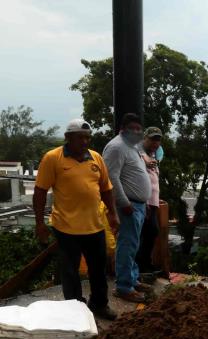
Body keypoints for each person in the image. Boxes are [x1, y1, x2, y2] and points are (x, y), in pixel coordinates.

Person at [33, 118, 120, 320]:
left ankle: (99, 305)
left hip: (95, 225)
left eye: (87, 138)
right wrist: (39, 223)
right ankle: (76, 312)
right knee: (70, 273)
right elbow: (39, 192)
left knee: (98, 271)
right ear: (68, 138)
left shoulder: (96, 158)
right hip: (66, 228)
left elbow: (106, 189)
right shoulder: (52, 158)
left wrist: (113, 214)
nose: (84, 142)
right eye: (80, 137)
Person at [103, 113, 151, 303]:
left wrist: (143, 202)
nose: (138, 132)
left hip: (137, 204)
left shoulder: (132, 147)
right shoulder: (116, 147)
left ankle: (132, 279)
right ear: (123, 129)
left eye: (140, 129)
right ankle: (124, 287)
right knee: (126, 245)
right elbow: (111, 178)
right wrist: (124, 203)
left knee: (133, 245)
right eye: (134, 128)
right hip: (128, 206)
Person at [135, 127, 163, 275]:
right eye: (152, 139)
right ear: (144, 138)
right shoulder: (139, 156)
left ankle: (145, 263)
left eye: (158, 140)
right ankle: (140, 265)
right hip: (144, 201)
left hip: (153, 202)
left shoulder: (153, 156)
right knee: (146, 233)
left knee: (151, 232)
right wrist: (144, 201)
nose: (155, 143)